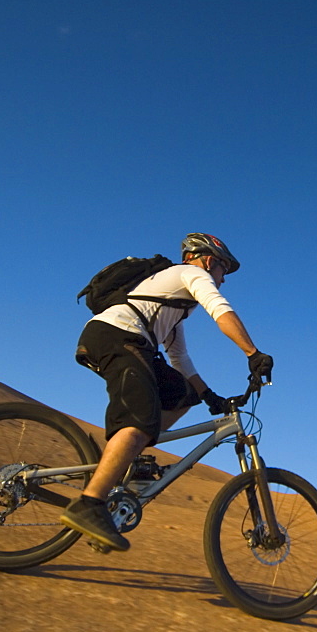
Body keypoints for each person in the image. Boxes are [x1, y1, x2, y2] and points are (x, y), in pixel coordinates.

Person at [61, 233, 273, 552]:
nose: (223, 280)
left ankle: (126, 462)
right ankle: (90, 504)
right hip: (118, 337)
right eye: (223, 271)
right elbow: (221, 311)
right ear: (209, 260)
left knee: (181, 394)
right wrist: (252, 353)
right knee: (139, 419)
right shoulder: (191, 273)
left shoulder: (175, 307)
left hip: (130, 341)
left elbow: (180, 358)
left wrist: (207, 395)